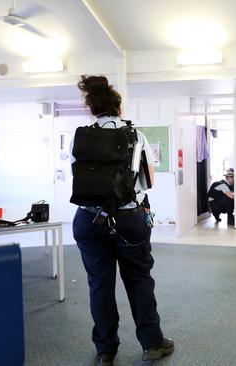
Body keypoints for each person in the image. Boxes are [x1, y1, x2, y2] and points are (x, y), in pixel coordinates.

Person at [71, 75, 174, 366]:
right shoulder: (136, 136)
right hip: (129, 218)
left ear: (92, 107)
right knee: (139, 280)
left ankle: (105, 350)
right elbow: (148, 180)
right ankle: (152, 343)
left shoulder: (81, 137)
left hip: (89, 220)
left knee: (99, 285)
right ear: (118, 107)